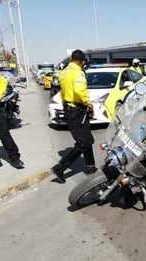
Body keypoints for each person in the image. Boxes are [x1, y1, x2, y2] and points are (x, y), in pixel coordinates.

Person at [51, 49, 96, 183]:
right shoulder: (78, 72)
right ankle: (60, 167)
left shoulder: (63, 72)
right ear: (82, 62)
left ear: (71, 59)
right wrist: (87, 102)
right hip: (77, 109)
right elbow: (78, 90)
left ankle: (90, 167)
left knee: (87, 138)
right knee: (83, 143)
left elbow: (63, 92)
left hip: (69, 108)